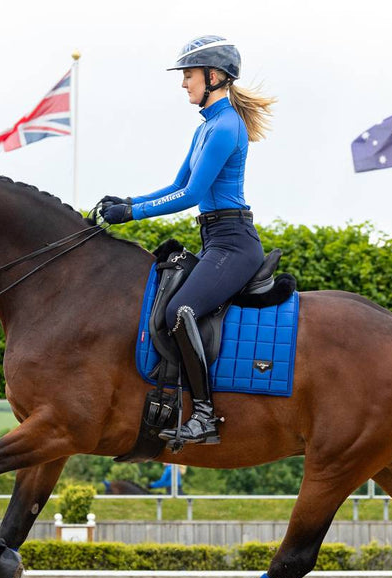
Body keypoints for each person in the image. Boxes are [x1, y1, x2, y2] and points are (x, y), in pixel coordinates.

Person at [98, 35, 277, 446]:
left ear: (213, 77)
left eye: (189, 75)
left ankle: (204, 416)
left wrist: (133, 214)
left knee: (181, 310)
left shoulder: (226, 126)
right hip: (216, 239)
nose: (184, 84)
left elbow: (192, 196)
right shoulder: (207, 127)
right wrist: (128, 202)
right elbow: (177, 184)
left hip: (233, 243)